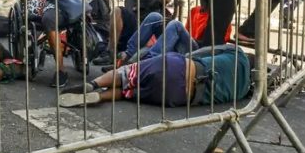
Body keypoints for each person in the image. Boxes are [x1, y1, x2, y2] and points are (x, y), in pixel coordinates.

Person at [60, 45, 250, 110]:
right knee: (128, 93)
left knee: (127, 73)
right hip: (180, 96)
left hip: (181, 68)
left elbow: (200, 53)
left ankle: (94, 84)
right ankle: (100, 97)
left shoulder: (237, 53)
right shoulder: (244, 92)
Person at [96, 0, 169, 66]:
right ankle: (114, 54)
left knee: (117, 10)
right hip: (133, 36)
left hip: (146, 33)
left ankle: (111, 53)